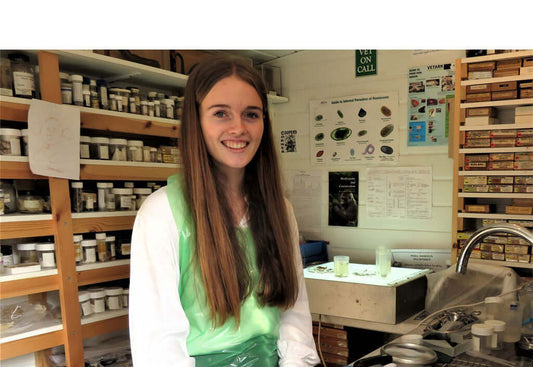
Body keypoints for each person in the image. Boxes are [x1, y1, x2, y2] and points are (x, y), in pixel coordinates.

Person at [129, 55, 320, 367]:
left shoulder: (279, 210)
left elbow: (293, 313)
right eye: (220, 113)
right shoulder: (161, 213)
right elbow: (158, 343)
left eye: (251, 114)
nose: (238, 128)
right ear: (196, 121)